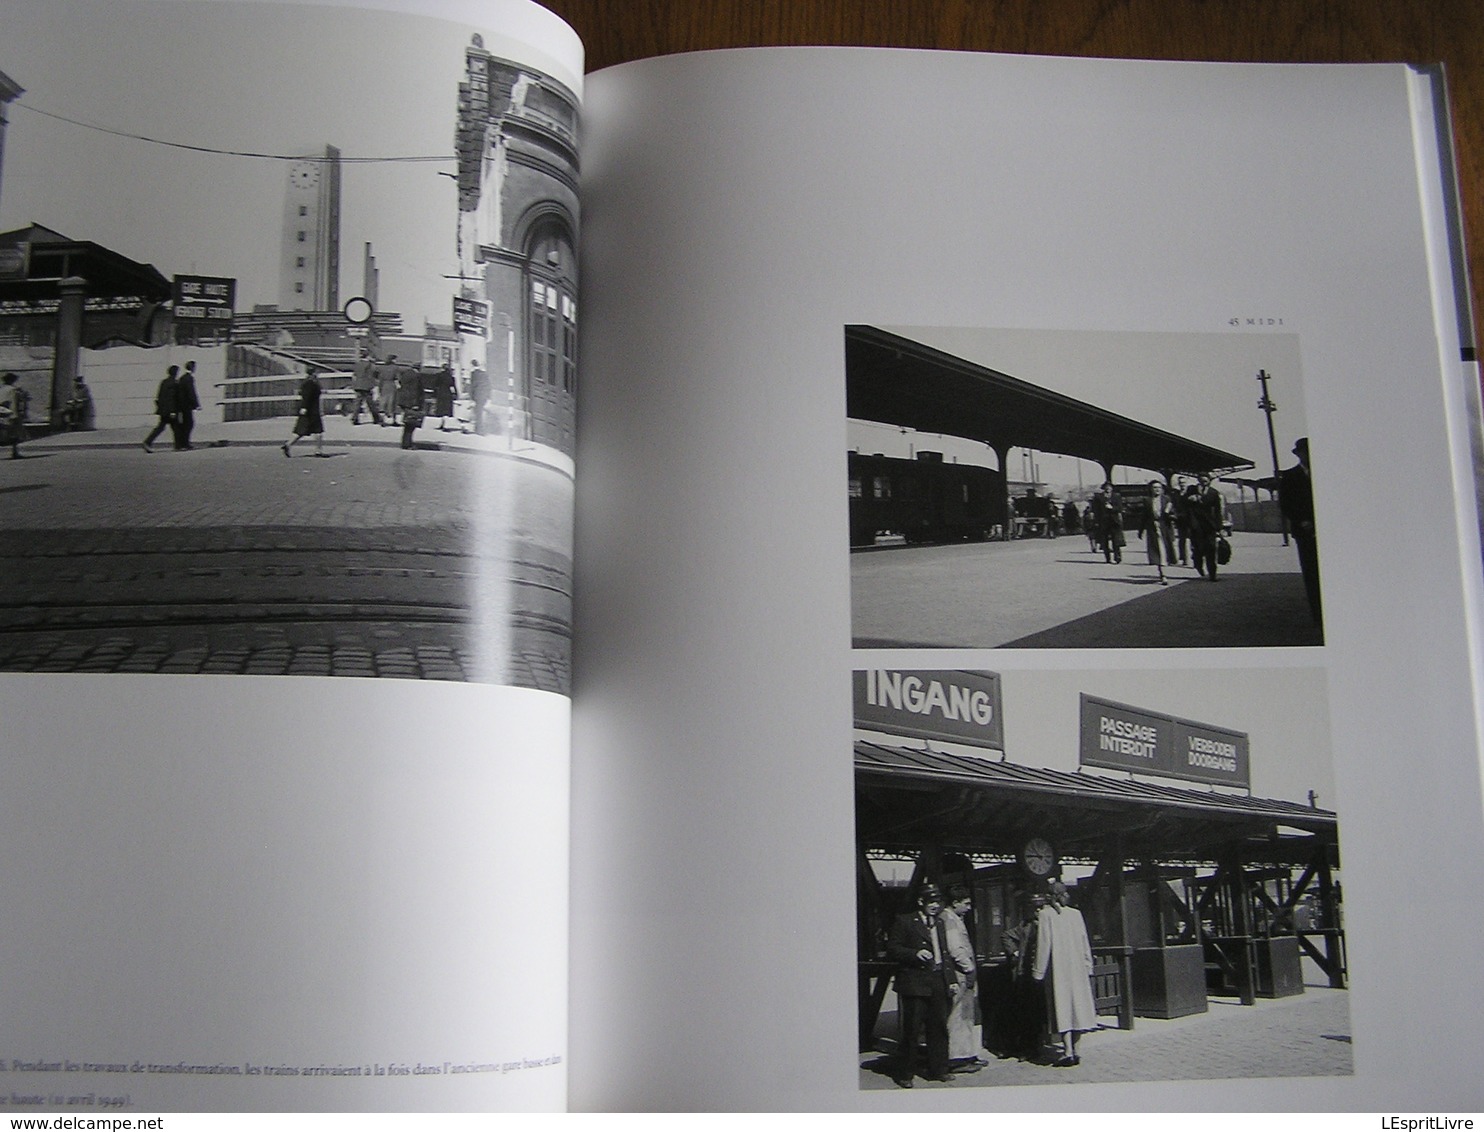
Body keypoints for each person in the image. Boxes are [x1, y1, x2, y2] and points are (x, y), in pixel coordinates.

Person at [885, 884, 954, 1088]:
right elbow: (893, 948)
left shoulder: (940, 923)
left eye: (938, 902)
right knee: (912, 1030)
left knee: (939, 1028)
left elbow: (945, 952)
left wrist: (950, 980)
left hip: (937, 981)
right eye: (931, 902)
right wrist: (914, 954)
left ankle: (938, 1070)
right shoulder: (905, 921)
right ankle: (905, 1073)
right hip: (914, 983)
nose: (935, 906)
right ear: (920, 902)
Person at [1033, 880, 1098, 1067]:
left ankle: (1068, 1050)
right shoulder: (1076, 914)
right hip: (1077, 968)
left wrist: (1038, 971)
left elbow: (1044, 944)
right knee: (1077, 1006)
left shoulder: (1046, 915)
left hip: (1058, 969)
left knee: (1062, 1008)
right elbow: (1084, 941)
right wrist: (1088, 964)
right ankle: (1077, 1051)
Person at [1280, 437, 1323, 628]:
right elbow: (1286, 505)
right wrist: (1303, 521)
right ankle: (1318, 615)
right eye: (1304, 452)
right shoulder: (1289, 477)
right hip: (1304, 532)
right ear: (1298, 455)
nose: (1308, 455)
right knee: (1312, 573)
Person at [1000, 891, 1048, 1060]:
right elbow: (1006, 935)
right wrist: (1014, 952)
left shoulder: (1051, 925)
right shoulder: (1025, 926)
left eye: (1041, 907)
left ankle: (1039, 1046)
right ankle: (1027, 1049)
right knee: (1026, 1012)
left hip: (1046, 977)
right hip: (1026, 975)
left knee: (1041, 1012)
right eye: (1035, 908)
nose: (1038, 911)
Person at [940, 885, 982, 1071]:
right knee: (957, 1016)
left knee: (966, 1015)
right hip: (959, 973)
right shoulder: (949, 919)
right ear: (955, 903)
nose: (969, 907)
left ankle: (967, 1054)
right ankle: (956, 1058)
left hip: (963, 972)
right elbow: (955, 948)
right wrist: (969, 967)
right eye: (966, 904)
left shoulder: (956, 917)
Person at [1138, 480, 1177, 585]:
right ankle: (1163, 574)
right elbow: (1144, 517)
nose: (1157, 489)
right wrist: (1141, 531)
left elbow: (1173, 513)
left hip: (1165, 528)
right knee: (1158, 550)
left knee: (1165, 549)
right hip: (1153, 528)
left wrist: (1171, 515)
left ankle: (1163, 572)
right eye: (1155, 487)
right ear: (1151, 489)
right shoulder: (1147, 501)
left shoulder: (1166, 499)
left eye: (1159, 487)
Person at [1187, 473, 1226, 580]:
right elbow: (1183, 505)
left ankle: (1212, 574)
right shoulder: (1191, 490)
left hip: (1209, 526)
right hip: (1196, 525)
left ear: (1209, 481)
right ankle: (1198, 565)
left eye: (1206, 481)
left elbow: (1218, 511)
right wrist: (1189, 499)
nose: (1203, 483)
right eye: (1201, 481)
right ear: (1198, 480)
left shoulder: (1213, 493)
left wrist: (1219, 527)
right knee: (1198, 549)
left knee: (1211, 549)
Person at [281, 371, 323, 457]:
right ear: (312, 374)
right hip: (312, 411)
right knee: (318, 431)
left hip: (309, 410)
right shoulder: (310, 384)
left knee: (300, 431)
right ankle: (318, 451)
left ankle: (288, 444)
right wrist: (304, 407)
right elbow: (306, 397)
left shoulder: (308, 383)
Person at [143, 365, 180, 453]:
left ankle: (148, 442)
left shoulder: (164, 382)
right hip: (170, 411)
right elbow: (171, 399)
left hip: (163, 410)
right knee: (176, 428)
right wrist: (172, 411)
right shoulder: (174, 383)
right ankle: (178, 446)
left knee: (162, 427)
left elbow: (160, 396)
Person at [174, 360, 201, 449]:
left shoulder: (182, 378)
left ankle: (182, 443)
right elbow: (191, 392)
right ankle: (185, 443)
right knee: (189, 424)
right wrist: (196, 404)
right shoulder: (189, 378)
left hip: (181, 405)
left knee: (184, 424)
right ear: (192, 368)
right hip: (186, 405)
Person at [0, 372, 28, 459]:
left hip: (1, 413)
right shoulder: (13, 390)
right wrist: (14, 415)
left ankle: (15, 452)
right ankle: (15, 452)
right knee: (14, 434)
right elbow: (14, 403)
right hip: (9, 414)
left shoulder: (1, 389)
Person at [350, 351, 382, 426]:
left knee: (357, 403)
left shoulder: (357, 364)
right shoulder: (370, 365)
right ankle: (376, 418)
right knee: (371, 403)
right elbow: (374, 374)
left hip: (358, 385)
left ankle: (354, 418)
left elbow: (354, 375)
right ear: (368, 356)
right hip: (366, 386)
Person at [397, 364, 424, 450]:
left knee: (407, 423)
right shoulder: (416, 376)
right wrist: (415, 404)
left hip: (404, 401)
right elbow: (415, 390)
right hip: (411, 402)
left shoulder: (405, 374)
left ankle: (405, 443)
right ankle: (407, 444)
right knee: (411, 424)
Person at [1098, 483, 1125, 564]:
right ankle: (1107, 558)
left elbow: (1120, 508)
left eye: (1110, 487)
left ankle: (1117, 556)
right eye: (1106, 487)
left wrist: (1112, 508)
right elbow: (1096, 509)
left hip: (1114, 521)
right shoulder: (1099, 497)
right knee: (1105, 540)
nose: (1108, 489)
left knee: (1116, 540)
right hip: (1103, 521)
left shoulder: (1116, 496)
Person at [377, 354, 401, 426]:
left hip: (384, 385)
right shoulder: (395, 368)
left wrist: (380, 388)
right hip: (392, 385)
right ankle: (394, 420)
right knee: (393, 403)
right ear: (393, 360)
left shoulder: (382, 368)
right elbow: (398, 378)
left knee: (383, 403)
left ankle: (382, 420)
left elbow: (380, 378)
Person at [468, 359, 491, 435]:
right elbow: (489, 385)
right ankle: (479, 429)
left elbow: (473, 386)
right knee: (480, 413)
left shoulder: (473, 374)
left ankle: (479, 430)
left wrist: (471, 398)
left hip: (477, 396)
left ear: (472, 365)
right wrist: (488, 397)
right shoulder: (484, 374)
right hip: (483, 396)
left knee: (478, 413)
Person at [430, 364, 455, 431]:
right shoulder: (450, 376)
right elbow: (452, 386)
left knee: (441, 410)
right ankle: (445, 424)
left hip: (440, 393)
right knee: (446, 411)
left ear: (442, 368)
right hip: (448, 394)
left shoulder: (439, 375)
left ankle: (442, 424)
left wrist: (434, 393)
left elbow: (434, 384)